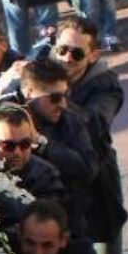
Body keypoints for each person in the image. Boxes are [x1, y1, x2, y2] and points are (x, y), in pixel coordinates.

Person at [49, 14, 128, 254]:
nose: (67, 58)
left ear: (93, 55)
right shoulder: (40, 69)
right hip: (57, 191)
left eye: (77, 53)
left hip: (97, 189)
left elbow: (96, 124)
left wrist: (54, 99)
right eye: (62, 50)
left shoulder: (105, 86)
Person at [17, 58, 98, 239]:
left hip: (69, 224)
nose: (62, 104)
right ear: (29, 93)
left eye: (65, 95)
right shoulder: (10, 116)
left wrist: (43, 143)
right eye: (54, 98)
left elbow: (88, 168)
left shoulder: (70, 120)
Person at [0, 107, 66, 225]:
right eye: (8, 145)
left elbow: (44, 222)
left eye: (25, 144)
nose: (17, 152)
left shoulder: (45, 174)